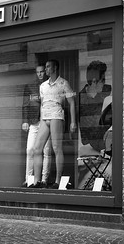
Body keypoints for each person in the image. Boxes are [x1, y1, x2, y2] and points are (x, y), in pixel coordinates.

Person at [29, 60, 76, 189]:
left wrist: (73, 121)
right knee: (36, 149)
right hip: (45, 117)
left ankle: (57, 181)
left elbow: (72, 102)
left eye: (48, 67)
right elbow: (42, 103)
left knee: (57, 148)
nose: (46, 69)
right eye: (46, 67)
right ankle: (36, 181)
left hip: (56, 115)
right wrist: (40, 119)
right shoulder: (43, 86)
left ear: (55, 68)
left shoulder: (63, 83)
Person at [77, 60, 112, 189]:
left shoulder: (108, 90)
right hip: (95, 142)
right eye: (102, 80)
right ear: (93, 82)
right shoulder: (81, 98)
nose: (105, 83)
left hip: (107, 138)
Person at [21, 65, 52, 187]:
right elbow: (25, 104)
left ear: (46, 72)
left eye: (42, 72)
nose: (40, 74)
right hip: (34, 121)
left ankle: (44, 179)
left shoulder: (50, 85)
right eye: (38, 72)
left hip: (46, 121)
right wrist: (25, 120)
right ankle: (28, 179)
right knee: (30, 150)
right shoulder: (30, 86)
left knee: (46, 151)